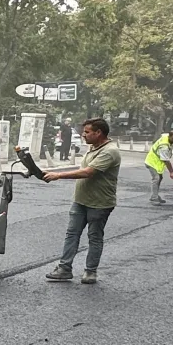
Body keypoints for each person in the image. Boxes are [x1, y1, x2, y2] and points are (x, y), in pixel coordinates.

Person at [41, 117, 121, 285]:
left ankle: (90, 272)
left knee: (95, 237)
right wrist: (52, 171)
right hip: (80, 201)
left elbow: (88, 172)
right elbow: (81, 169)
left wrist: (59, 175)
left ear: (99, 132)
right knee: (72, 234)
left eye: (87, 132)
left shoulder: (110, 151)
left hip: (99, 203)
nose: (83, 135)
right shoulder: (93, 148)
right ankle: (64, 268)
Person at [145, 127, 173, 205]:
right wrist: (172, 172)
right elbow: (165, 160)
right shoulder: (164, 146)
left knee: (159, 178)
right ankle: (154, 198)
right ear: (170, 136)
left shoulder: (167, 137)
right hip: (151, 162)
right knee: (156, 178)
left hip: (156, 163)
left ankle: (154, 195)